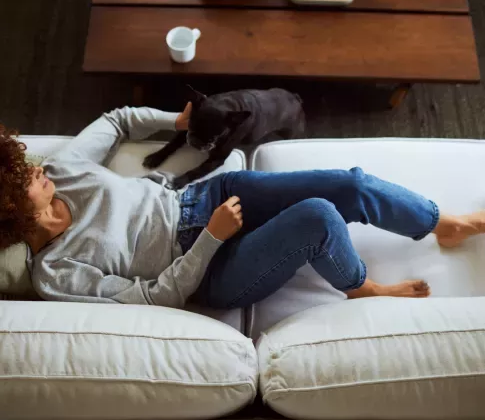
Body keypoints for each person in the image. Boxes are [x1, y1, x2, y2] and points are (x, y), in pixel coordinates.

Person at [1, 106, 483, 309]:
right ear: (10, 211)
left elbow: (118, 119)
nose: (34, 168)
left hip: (204, 198)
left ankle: (441, 223)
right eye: (23, 177)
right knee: (318, 218)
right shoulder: (57, 274)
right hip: (211, 270)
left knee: (349, 184)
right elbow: (153, 297)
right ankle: (361, 286)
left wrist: (178, 120)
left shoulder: (63, 169)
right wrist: (212, 237)